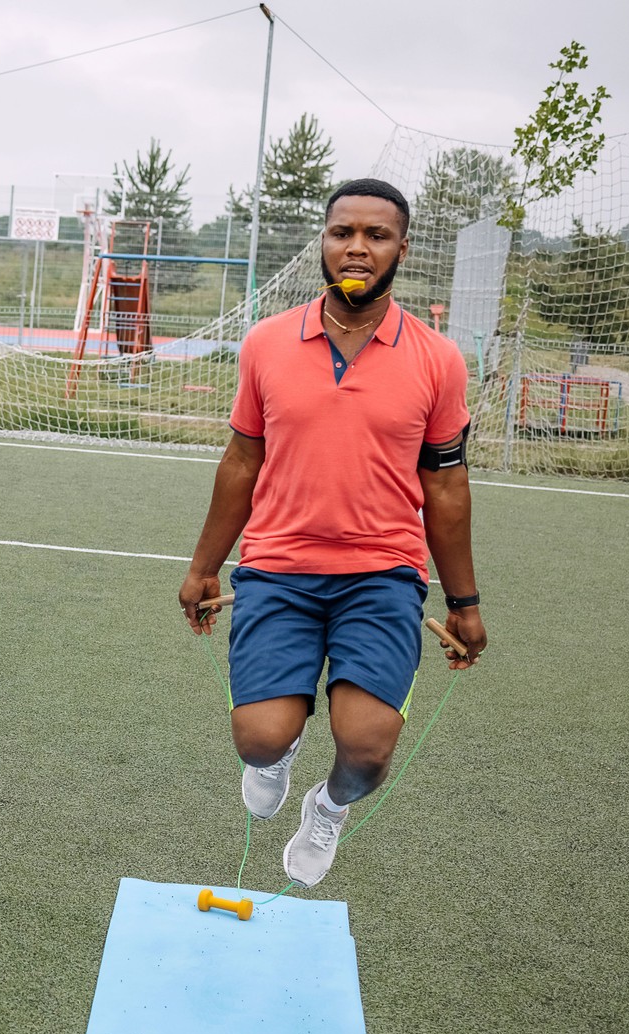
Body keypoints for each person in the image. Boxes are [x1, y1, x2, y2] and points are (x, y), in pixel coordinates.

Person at [177, 178, 488, 889]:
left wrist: (465, 601)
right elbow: (242, 460)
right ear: (322, 241)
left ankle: (327, 807)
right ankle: (279, 759)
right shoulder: (266, 343)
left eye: (376, 235)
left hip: (382, 574)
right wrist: (203, 566)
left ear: (400, 250)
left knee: (367, 752)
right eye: (342, 231)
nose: (357, 246)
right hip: (279, 568)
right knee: (258, 739)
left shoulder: (438, 360)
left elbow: (445, 485)